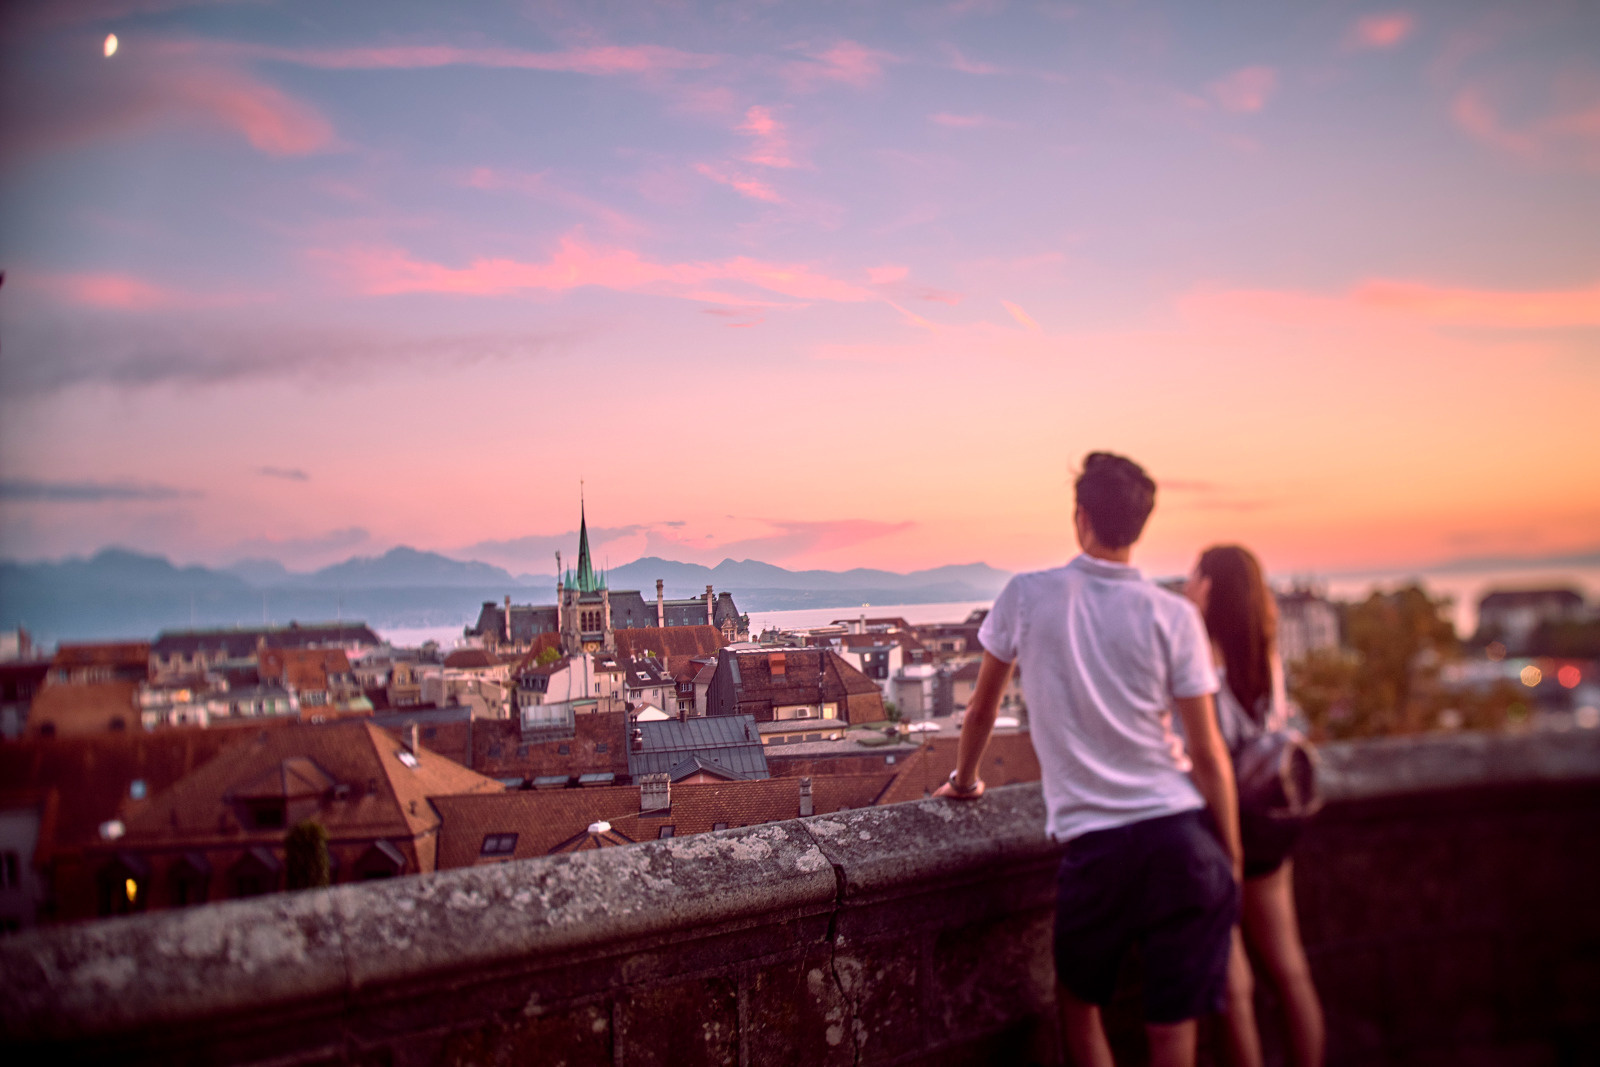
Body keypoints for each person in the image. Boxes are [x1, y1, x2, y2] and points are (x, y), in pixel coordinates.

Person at [936, 452, 1242, 1067]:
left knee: (1079, 1012)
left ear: (1081, 517)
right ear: (1140, 525)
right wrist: (1229, 854)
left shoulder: (1027, 595)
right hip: (1180, 838)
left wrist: (965, 781)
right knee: (1171, 1033)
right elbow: (1207, 752)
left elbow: (980, 710)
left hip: (1098, 847)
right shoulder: (1174, 614)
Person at [1186, 545, 1324, 1067]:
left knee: (1235, 987)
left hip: (1218, 829)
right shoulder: (1266, 656)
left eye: (1196, 577)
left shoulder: (1200, 663)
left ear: (1209, 589)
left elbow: (1202, 754)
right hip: (1269, 824)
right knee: (1290, 970)